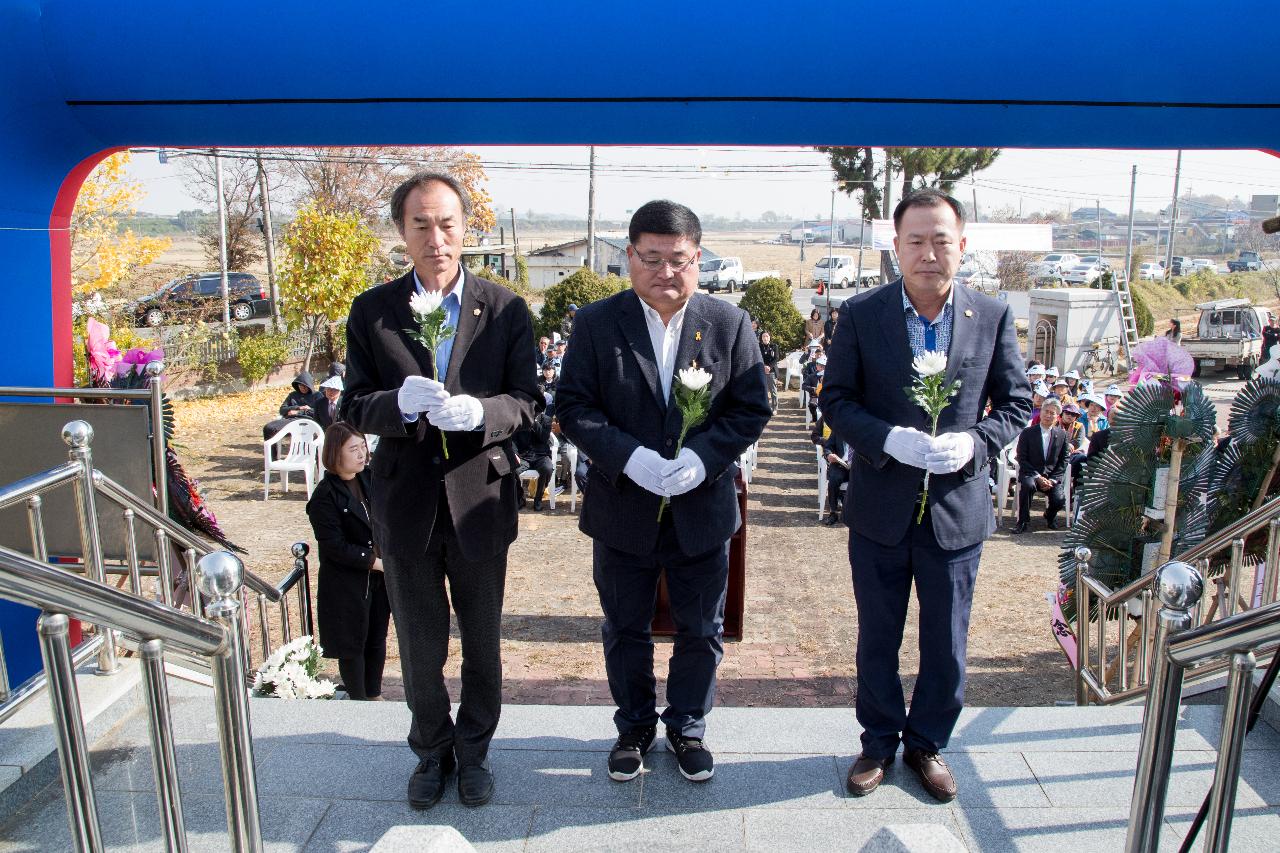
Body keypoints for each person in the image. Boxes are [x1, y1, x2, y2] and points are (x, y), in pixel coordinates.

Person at [819, 188, 1030, 803]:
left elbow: (1018, 403)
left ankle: (927, 743)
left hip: (956, 512)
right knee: (877, 635)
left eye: (941, 240)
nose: (928, 253)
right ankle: (878, 742)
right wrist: (886, 440)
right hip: (881, 509)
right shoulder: (862, 313)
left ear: (962, 246)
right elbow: (836, 401)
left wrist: (977, 443)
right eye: (916, 240)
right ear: (896, 247)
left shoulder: (990, 316)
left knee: (947, 639)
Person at [340, 171, 541, 810]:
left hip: (480, 501)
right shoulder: (373, 311)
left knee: (482, 640)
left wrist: (481, 414)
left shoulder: (505, 309)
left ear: (466, 228)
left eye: (447, 223)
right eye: (421, 224)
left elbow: (530, 403)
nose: (436, 237)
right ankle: (431, 751)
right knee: (420, 643)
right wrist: (394, 406)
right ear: (402, 231)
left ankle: (476, 753)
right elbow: (351, 405)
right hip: (403, 506)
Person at [556, 199, 771, 786]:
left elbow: (753, 406)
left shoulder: (729, 324)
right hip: (623, 508)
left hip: (702, 510)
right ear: (629, 257)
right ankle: (633, 726)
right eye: (651, 259)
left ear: (698, 259)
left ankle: (688, 726)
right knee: (624, 626)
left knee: (701, 628)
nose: (665, 272)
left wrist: (704, 459)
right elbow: (572, 407)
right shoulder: (598, 323)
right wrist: (631, 458)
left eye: (679, 260)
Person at [305, 422, 390, 701]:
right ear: (335, 454)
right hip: (347, 583)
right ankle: (358, 698)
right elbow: (334, 546)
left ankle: (374, 695)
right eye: (353, 449)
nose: (361, 454)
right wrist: (373, 561)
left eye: (363, 447)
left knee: (376, 639)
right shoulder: (324, 497)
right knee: (353, 644)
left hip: (378, 580)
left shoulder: (369, 478)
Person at [1014, 398, 1069, 533]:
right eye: (1046, 411)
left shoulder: (1062, 434)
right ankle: (1023, 521)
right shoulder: (1027, 433)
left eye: (1052, 413)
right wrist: (1038, 476)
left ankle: (1050, 516)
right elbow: (1021, 457)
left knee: (1059, 499)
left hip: (1051, 476)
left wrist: (1052, 479)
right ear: (1041, 412)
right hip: (1030, 472)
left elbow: (1064, 460)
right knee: (1028, 486)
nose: (1048, 415)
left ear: (1057, 417)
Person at [514, 411, 556, 511]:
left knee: (548, 469)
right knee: (512, 471)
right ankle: (520, 498)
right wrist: (514, 453)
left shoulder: (546, 419)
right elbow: (513, 439)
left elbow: (544, 437)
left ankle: (538, 499)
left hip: (541, 455)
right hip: (523, 455)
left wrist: (533, 421)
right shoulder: (519, 418)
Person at [822, 430, 851, 525]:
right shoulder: (838, 429)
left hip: (858, 465)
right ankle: (833, 512)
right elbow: (828, 446)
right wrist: (829, 454)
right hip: (840, 464)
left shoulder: (863, 430)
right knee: (834, 479)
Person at [759, 330, 780, 412]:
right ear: (761, 338)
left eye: (767, 336)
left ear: (769, 337)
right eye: (763, 336)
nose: (765, 338)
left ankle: (774, 408)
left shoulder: (774, 346)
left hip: (771, 371)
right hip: (761, 370)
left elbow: (776, 358)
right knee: (763, 390)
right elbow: (758, 357)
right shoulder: (758, 346)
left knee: (773, 391)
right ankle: (765, 407)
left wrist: (769, 367)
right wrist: (764, 366)